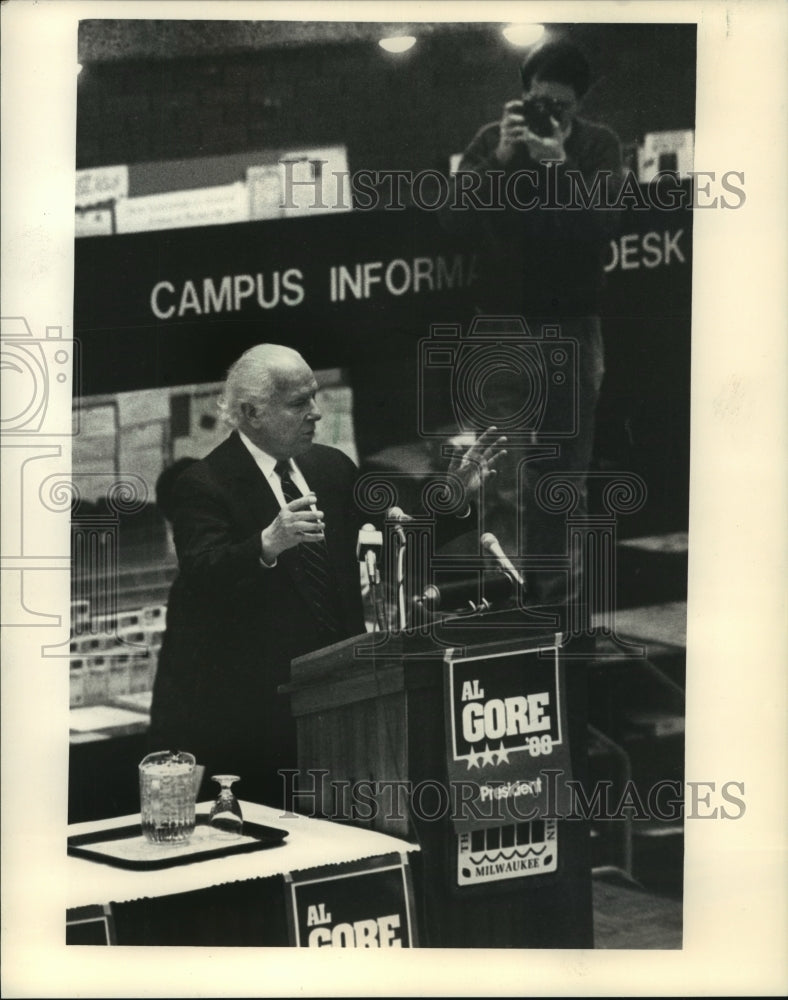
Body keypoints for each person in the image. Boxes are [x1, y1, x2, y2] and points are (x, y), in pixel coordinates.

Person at [148, 343, 506, 808]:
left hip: (344, 696)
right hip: (261, 716)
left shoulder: (330, 467)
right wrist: (265, 545)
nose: (316, 413)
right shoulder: (206, 484)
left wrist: (452, 498)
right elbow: (201, 575)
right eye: (299, 403)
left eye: (314, 397)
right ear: (252, 412)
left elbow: (393, 537)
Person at [443, 38, 624, 611]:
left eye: (560, 108)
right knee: (504, 487)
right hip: (501, 330)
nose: (548, 115)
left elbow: (602, 226)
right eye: (538, 101)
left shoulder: (598, 146)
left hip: (572, 327)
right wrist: (500, 158)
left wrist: (560, 163)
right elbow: (451, 224)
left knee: (562, 485)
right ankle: (510, 625)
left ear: (579, 107)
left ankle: (562, 626)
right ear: (522, 97)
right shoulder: (493, 142)